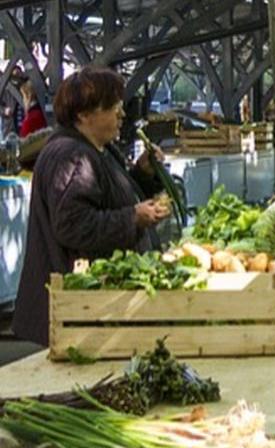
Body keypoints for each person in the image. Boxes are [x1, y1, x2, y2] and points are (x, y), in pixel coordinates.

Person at [13, 66, 170, 346]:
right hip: (76, 311)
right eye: (113, 108)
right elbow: (74, 227)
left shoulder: (96, 148)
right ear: (84, 115)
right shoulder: (72, 156)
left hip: (88, 308)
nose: (122, 114)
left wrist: (143, 174)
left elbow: (109, 196)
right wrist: (133, 218)